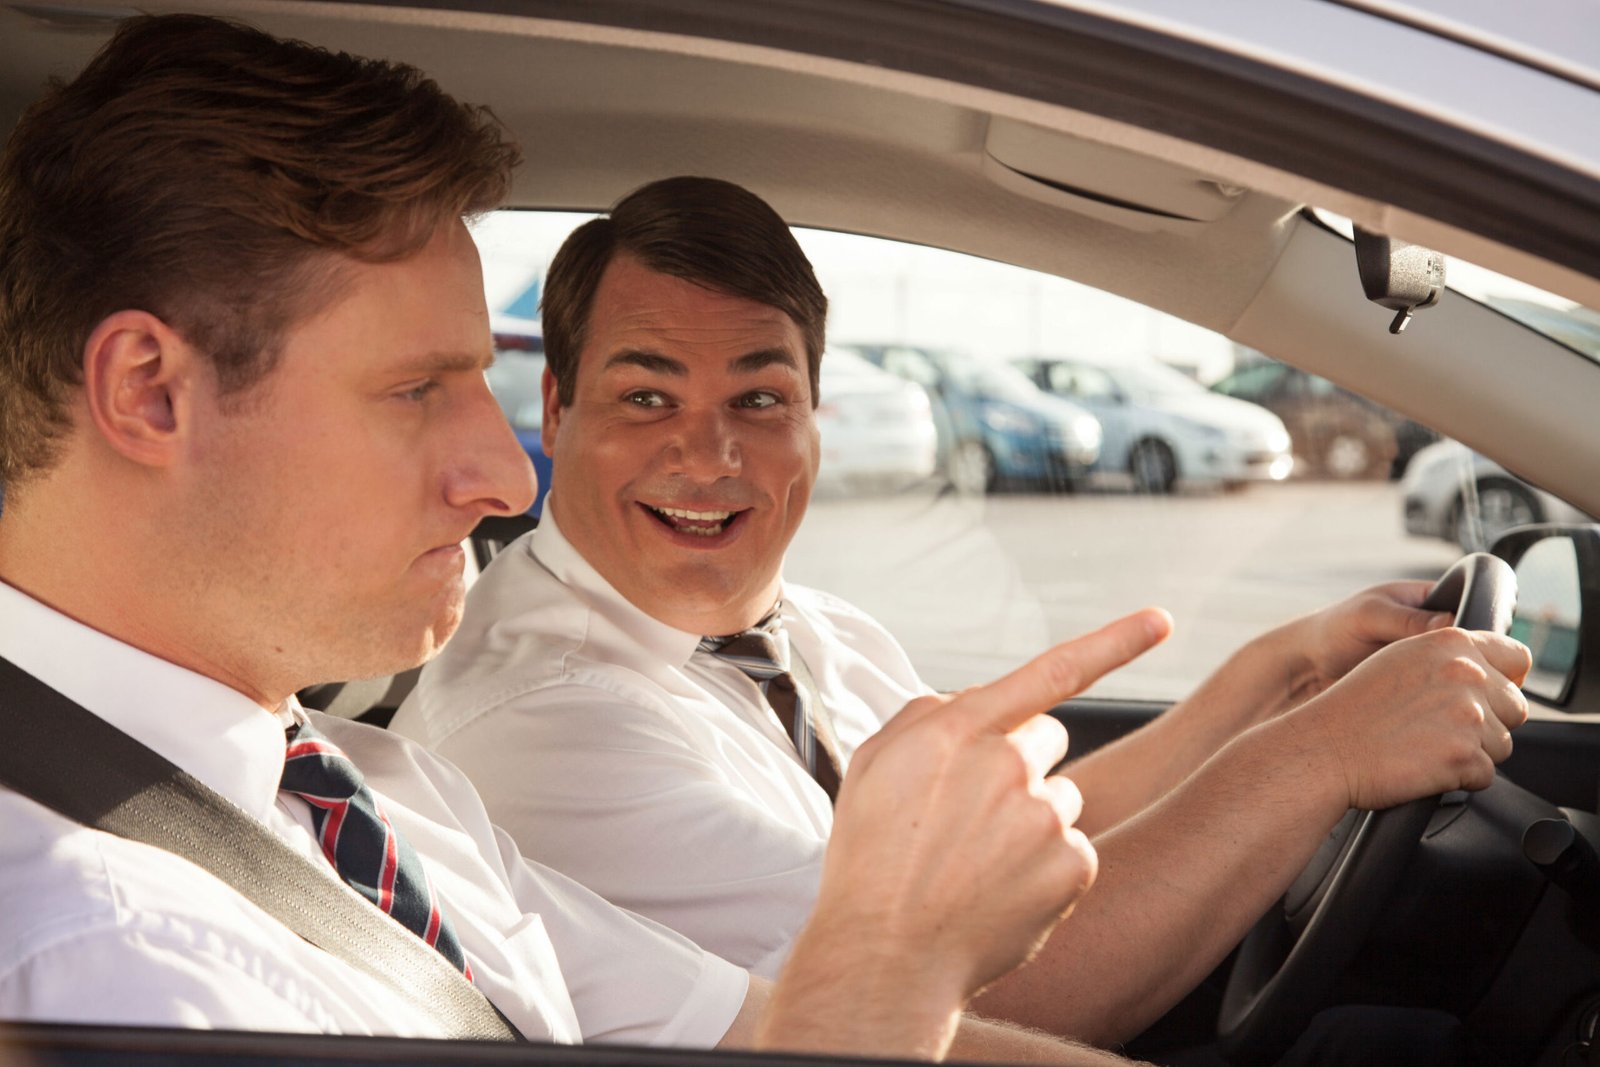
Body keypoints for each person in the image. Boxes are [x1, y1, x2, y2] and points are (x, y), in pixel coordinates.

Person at [0, 16, 1160, 1063]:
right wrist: (892, 966)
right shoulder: (100, 950)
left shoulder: (375, 791)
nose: (508, 477)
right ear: (150, 392)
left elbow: (748, 1025)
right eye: (417, 389)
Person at [391, 175, 1534, 1048]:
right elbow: (979, 989)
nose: (710, 453)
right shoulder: (547, 720)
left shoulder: (811, 630)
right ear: (557, 406)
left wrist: (1278, 677)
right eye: (648, 396)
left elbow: (1018, 855)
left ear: (814, 414)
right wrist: (1320, 753)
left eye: (760, 396)